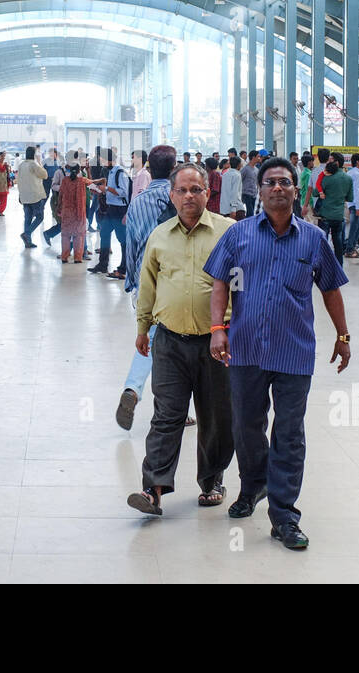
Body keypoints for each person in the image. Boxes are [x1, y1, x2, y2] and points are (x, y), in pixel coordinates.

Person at [205, 156, 351, 552]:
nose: (277, 188)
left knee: (289, 433)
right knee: (246, 427)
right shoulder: (238, 235)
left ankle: (284, 514)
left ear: (295, 188)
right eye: (270, 182)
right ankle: (253, 486)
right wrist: (218, 329)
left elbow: (331, 289)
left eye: (285, 182)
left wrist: (343, 334)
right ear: (261, 188)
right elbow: (219, 281)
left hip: (294, 352)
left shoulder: (314, 239)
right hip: (245, 347)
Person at [126, 162, 235, 516]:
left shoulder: (228, 232)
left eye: (196, 190)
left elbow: (241, 285)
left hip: (216, 343)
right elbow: (148, 285)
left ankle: (212, 479)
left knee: (215, 416)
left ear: (208, 193)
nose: (189, 196)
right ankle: (153, 488)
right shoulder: (159, 236)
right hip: (169, 341)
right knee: (167, 415)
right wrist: (143, 328)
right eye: (183, 190)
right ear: (171, 195)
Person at [115, 145, 180, 430]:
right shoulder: (181, 197)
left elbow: (130, 245)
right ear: (175, 167)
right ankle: (169, 407)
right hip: (176, 281)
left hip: (145, 281)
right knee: (177, 345)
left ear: (149, 169)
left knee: (151, 338)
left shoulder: (138, 202)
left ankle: (134, 390)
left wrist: (130, 280)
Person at [89, 149, 129, 275]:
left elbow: (124, 192)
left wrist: (106, 188)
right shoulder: (110, 172)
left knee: (122, 239)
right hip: (111, 208)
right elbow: (111, 190)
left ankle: (124, 268)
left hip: (120, 209)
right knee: (104, 233)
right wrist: (100, 190)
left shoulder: (120, 173)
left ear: (110, 160)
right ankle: (102, 265)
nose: (101, 162)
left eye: (103, 160)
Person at [316, 159, 352, 263]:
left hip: (325, 215)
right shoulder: (348, 178)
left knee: (323, 241)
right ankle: (339, 267)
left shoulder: (326, 178)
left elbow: (315, 192)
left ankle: (323, 265)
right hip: (338, 216)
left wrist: (322, 193)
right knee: (338, 242)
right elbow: (349, 198)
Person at [55, 159, 90, 264]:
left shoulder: (65, 180)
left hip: (67, 212)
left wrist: (59, 208)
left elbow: (60, 195)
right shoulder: (82, 180)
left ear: (69, 170)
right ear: (79, 170)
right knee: (78, 235)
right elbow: (93, 184)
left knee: (65, 235)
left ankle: (64, 256)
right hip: (79, 212)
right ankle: (78, 257)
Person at [15, 146, 49, 249]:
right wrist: (39, 162)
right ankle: (27, 233)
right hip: (35, 196)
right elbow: (45, 175)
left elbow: (19, 181)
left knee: (28, 218)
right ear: (34, 155)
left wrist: (20, 195)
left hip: (25, 196)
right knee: (39, 217)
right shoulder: (34, 164)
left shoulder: (21, 165)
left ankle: (28, 242)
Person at [343, 153, 359, 258]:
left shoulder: (351, 172)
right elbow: (357, 191)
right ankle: (349, 249)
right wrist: (358, 207)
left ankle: (350, 244)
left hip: (351, 203)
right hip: (355, 204)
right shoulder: (356, 174)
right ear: (358, 162)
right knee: (355, 227)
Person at [240, 150, 260, 217]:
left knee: (253, 213)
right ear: (253, 157)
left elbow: (257, 183)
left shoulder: (256, 169)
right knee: (250, 213)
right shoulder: (245, 169)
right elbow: (240, 180)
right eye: (258, 157)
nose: (259, 158)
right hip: (246, 194)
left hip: (254, 195)